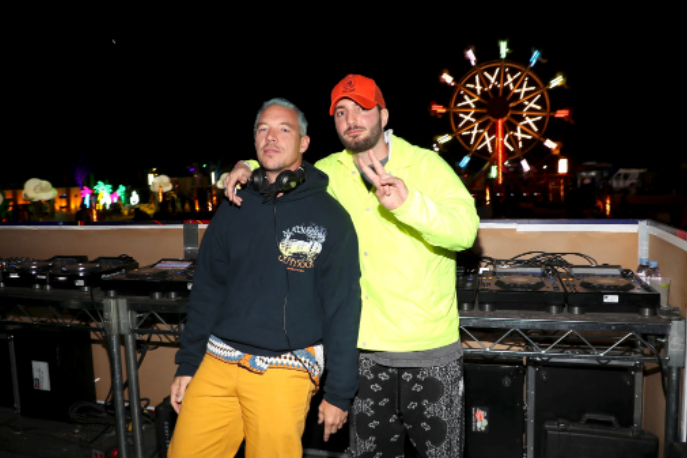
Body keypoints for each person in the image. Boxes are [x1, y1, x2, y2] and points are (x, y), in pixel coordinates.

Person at [225, 75, 480, 457]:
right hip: (361, 356)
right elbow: (282, 168)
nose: (351, 119)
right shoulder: (327, 173)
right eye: (341, 112)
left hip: (427, 353)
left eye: (362, 108)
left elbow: (464, 232)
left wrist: (409, 205)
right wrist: (246, 165)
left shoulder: (427, 165)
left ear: (384, 115)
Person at [169, 98, 361, 458]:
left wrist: (339, 392)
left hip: (285, 369)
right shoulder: (233, 207)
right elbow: (208, 289)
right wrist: (188, 362)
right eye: (263, 129)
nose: (271, 137)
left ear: (304, 143)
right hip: (217, 361)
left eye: (284, 129)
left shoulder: (332, 217)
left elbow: (343, 308)